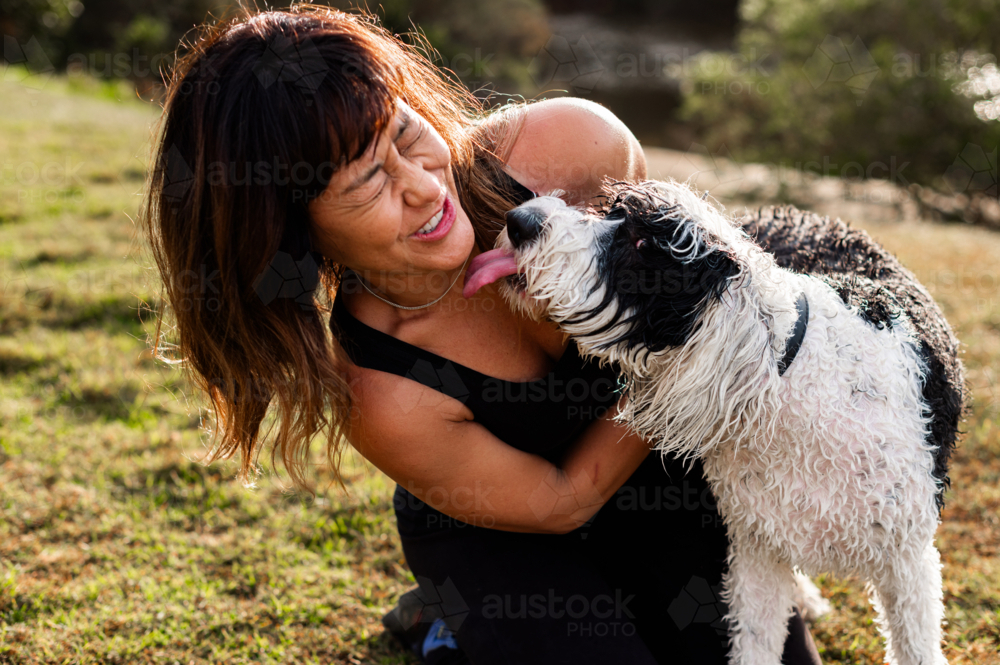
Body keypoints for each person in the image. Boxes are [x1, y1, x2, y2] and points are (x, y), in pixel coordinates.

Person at [141, 4, 823, 663]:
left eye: (406, 136)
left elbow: (674, 276)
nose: (422, 187)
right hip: (506, 531)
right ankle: (445, 624)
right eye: (368, 182)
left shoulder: (574, 148)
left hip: (653, 476)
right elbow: (564, 497)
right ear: (297, 229)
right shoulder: (382, 390)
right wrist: (687, 370)